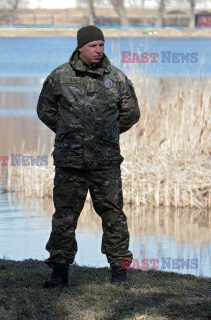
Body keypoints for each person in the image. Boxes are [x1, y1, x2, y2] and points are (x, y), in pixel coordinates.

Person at [37, 26, 140, 288]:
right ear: (80, 47)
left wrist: (107, 133)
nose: (98, 50)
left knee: (114, 216)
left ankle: (119, 272)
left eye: (101, 45)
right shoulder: (60, 77)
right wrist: (68, 131)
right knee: (65, 217)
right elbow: (45, 109)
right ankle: (59, 273)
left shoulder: (116, 78)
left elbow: (131, 113)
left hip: (105, 163)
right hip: (70, 163)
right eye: (93, 45)